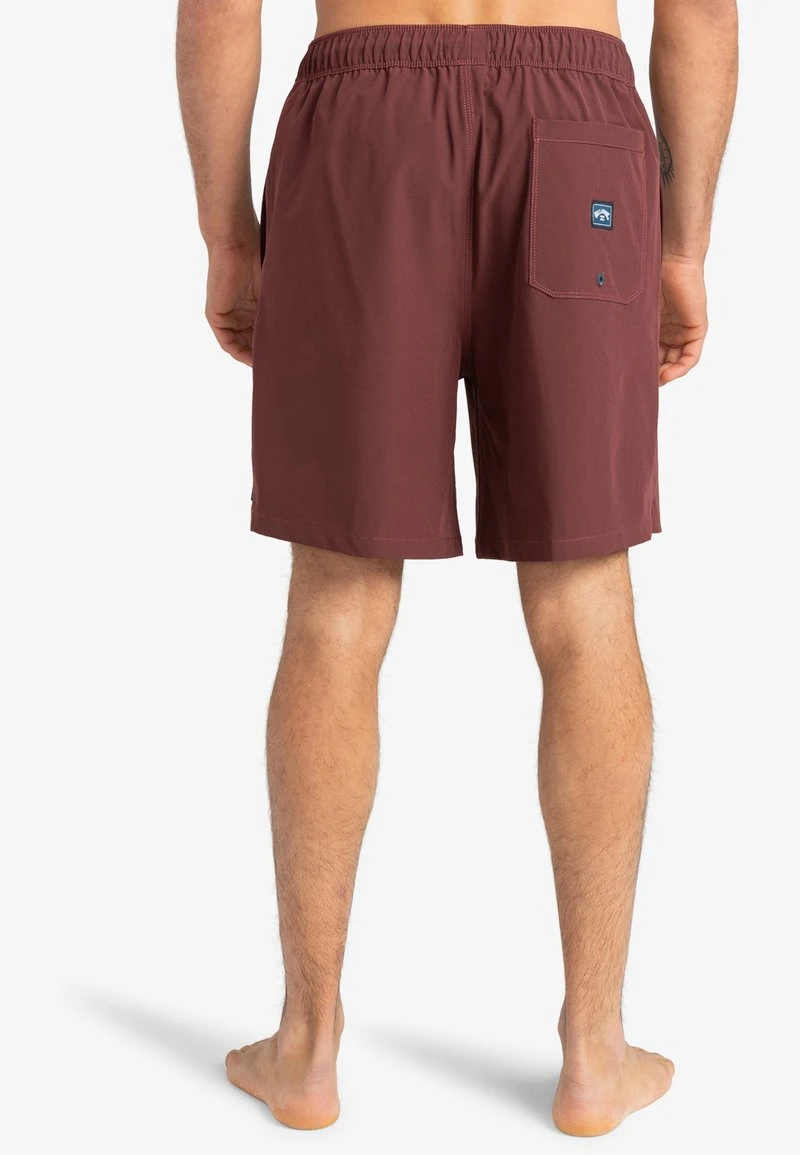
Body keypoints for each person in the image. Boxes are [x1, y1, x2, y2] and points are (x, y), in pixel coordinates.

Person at [176, 0, 737, 1137]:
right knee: (585, 600)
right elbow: (702, 9)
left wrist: (229, 236)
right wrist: (680, 247)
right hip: (578, 124)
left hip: (363, 126)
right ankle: (594, 1054)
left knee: (338, 601)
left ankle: (307, 1047)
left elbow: (221, 5)